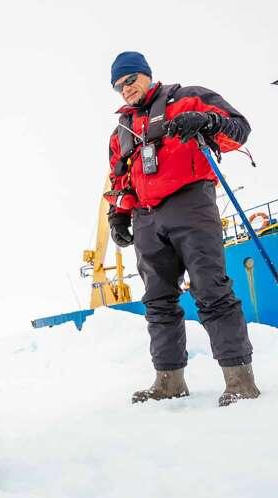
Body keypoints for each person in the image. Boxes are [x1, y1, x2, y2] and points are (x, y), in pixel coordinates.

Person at [105, 51, 260, 407]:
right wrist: (118, 215)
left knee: (212, 289)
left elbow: (240, 130)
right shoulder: (121, 131)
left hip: (190, 203)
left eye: (130, 80)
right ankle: (169, 380)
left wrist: (205, 122)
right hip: (146, 216)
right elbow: (119, 177)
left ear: (145, 74)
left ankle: (240, 380)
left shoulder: (188, 98)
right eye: (118, 87)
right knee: (157, 301)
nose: (126, 90)